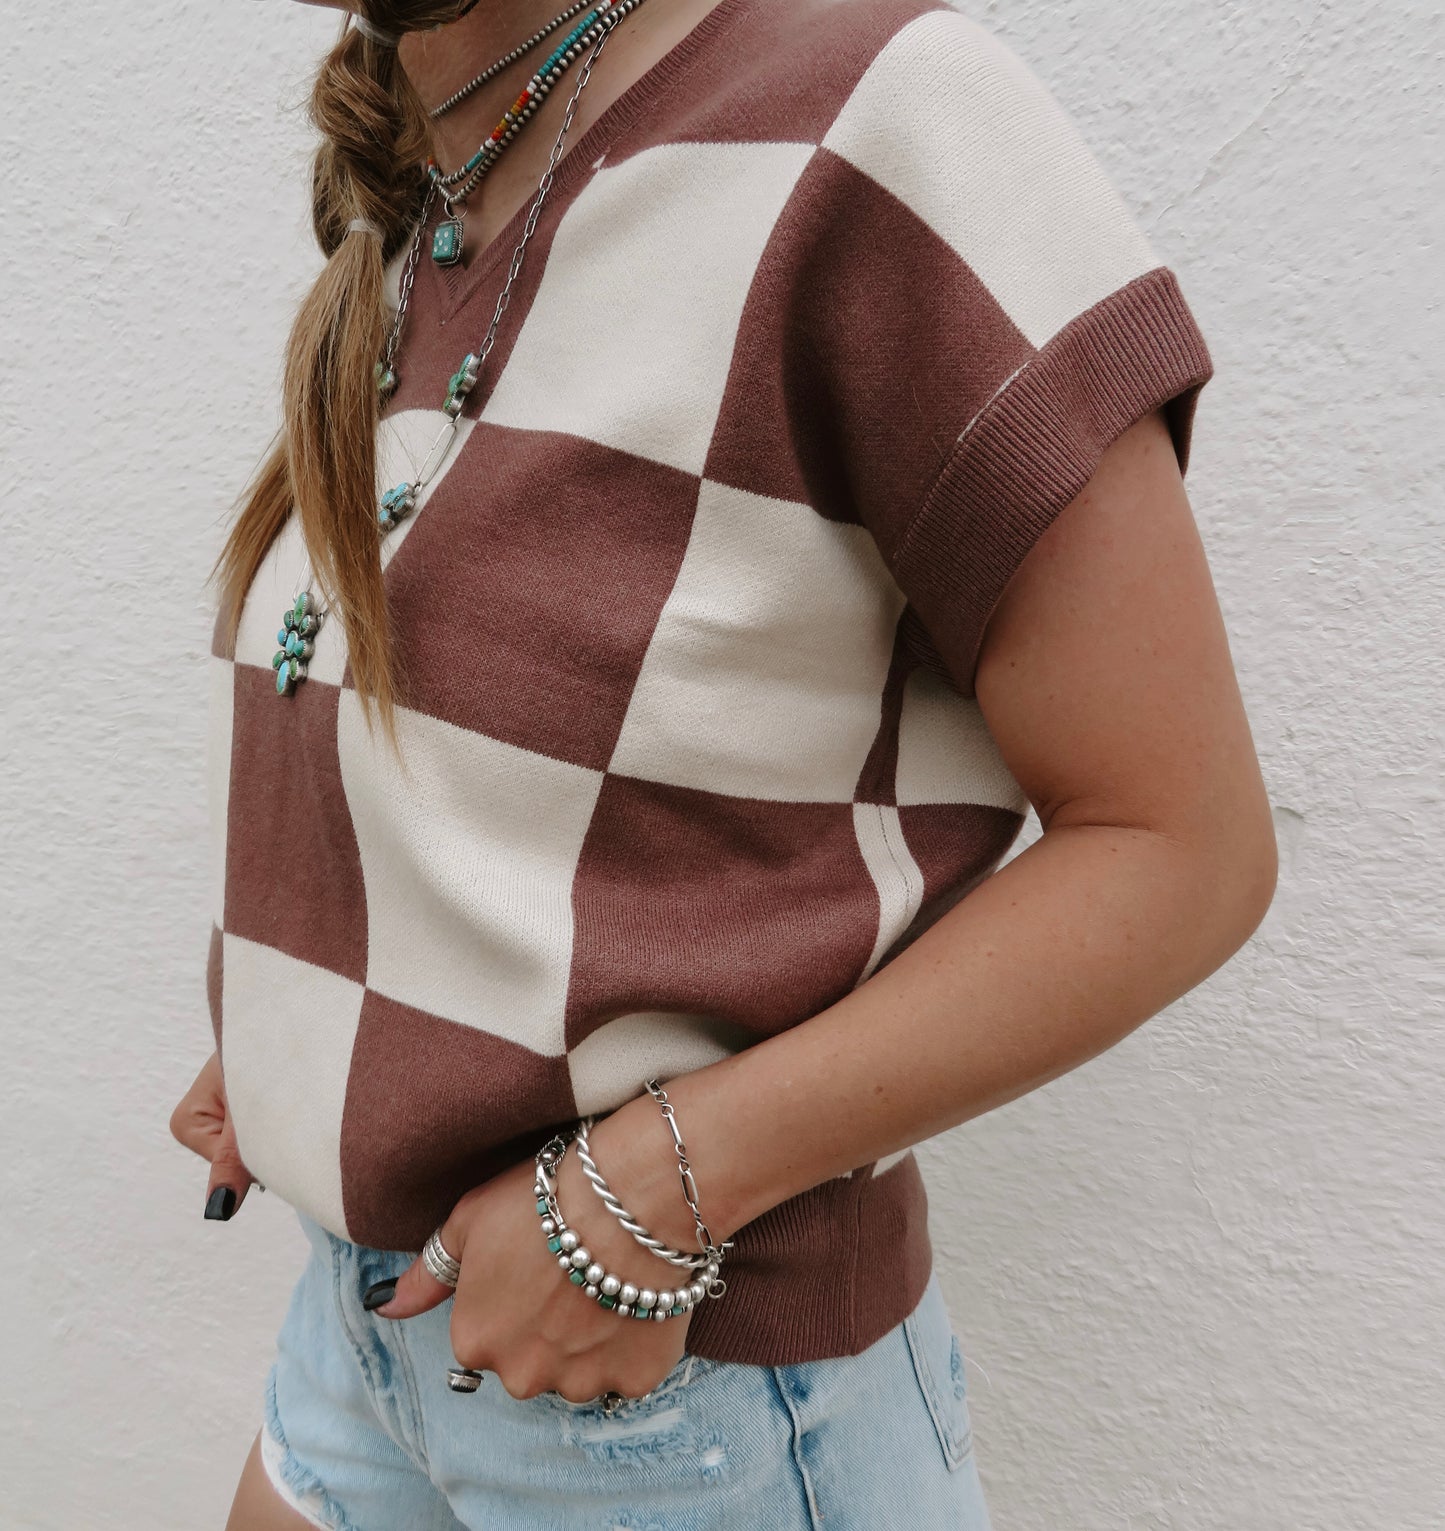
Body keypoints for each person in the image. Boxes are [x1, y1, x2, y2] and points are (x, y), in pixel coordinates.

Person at [168, 0, 1277, 1525]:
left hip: (681, 1378)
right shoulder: (441, 189)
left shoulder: (871, 120)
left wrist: (643, 1199)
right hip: (363, 1320)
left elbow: (1176, 846)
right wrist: (345, 1037)